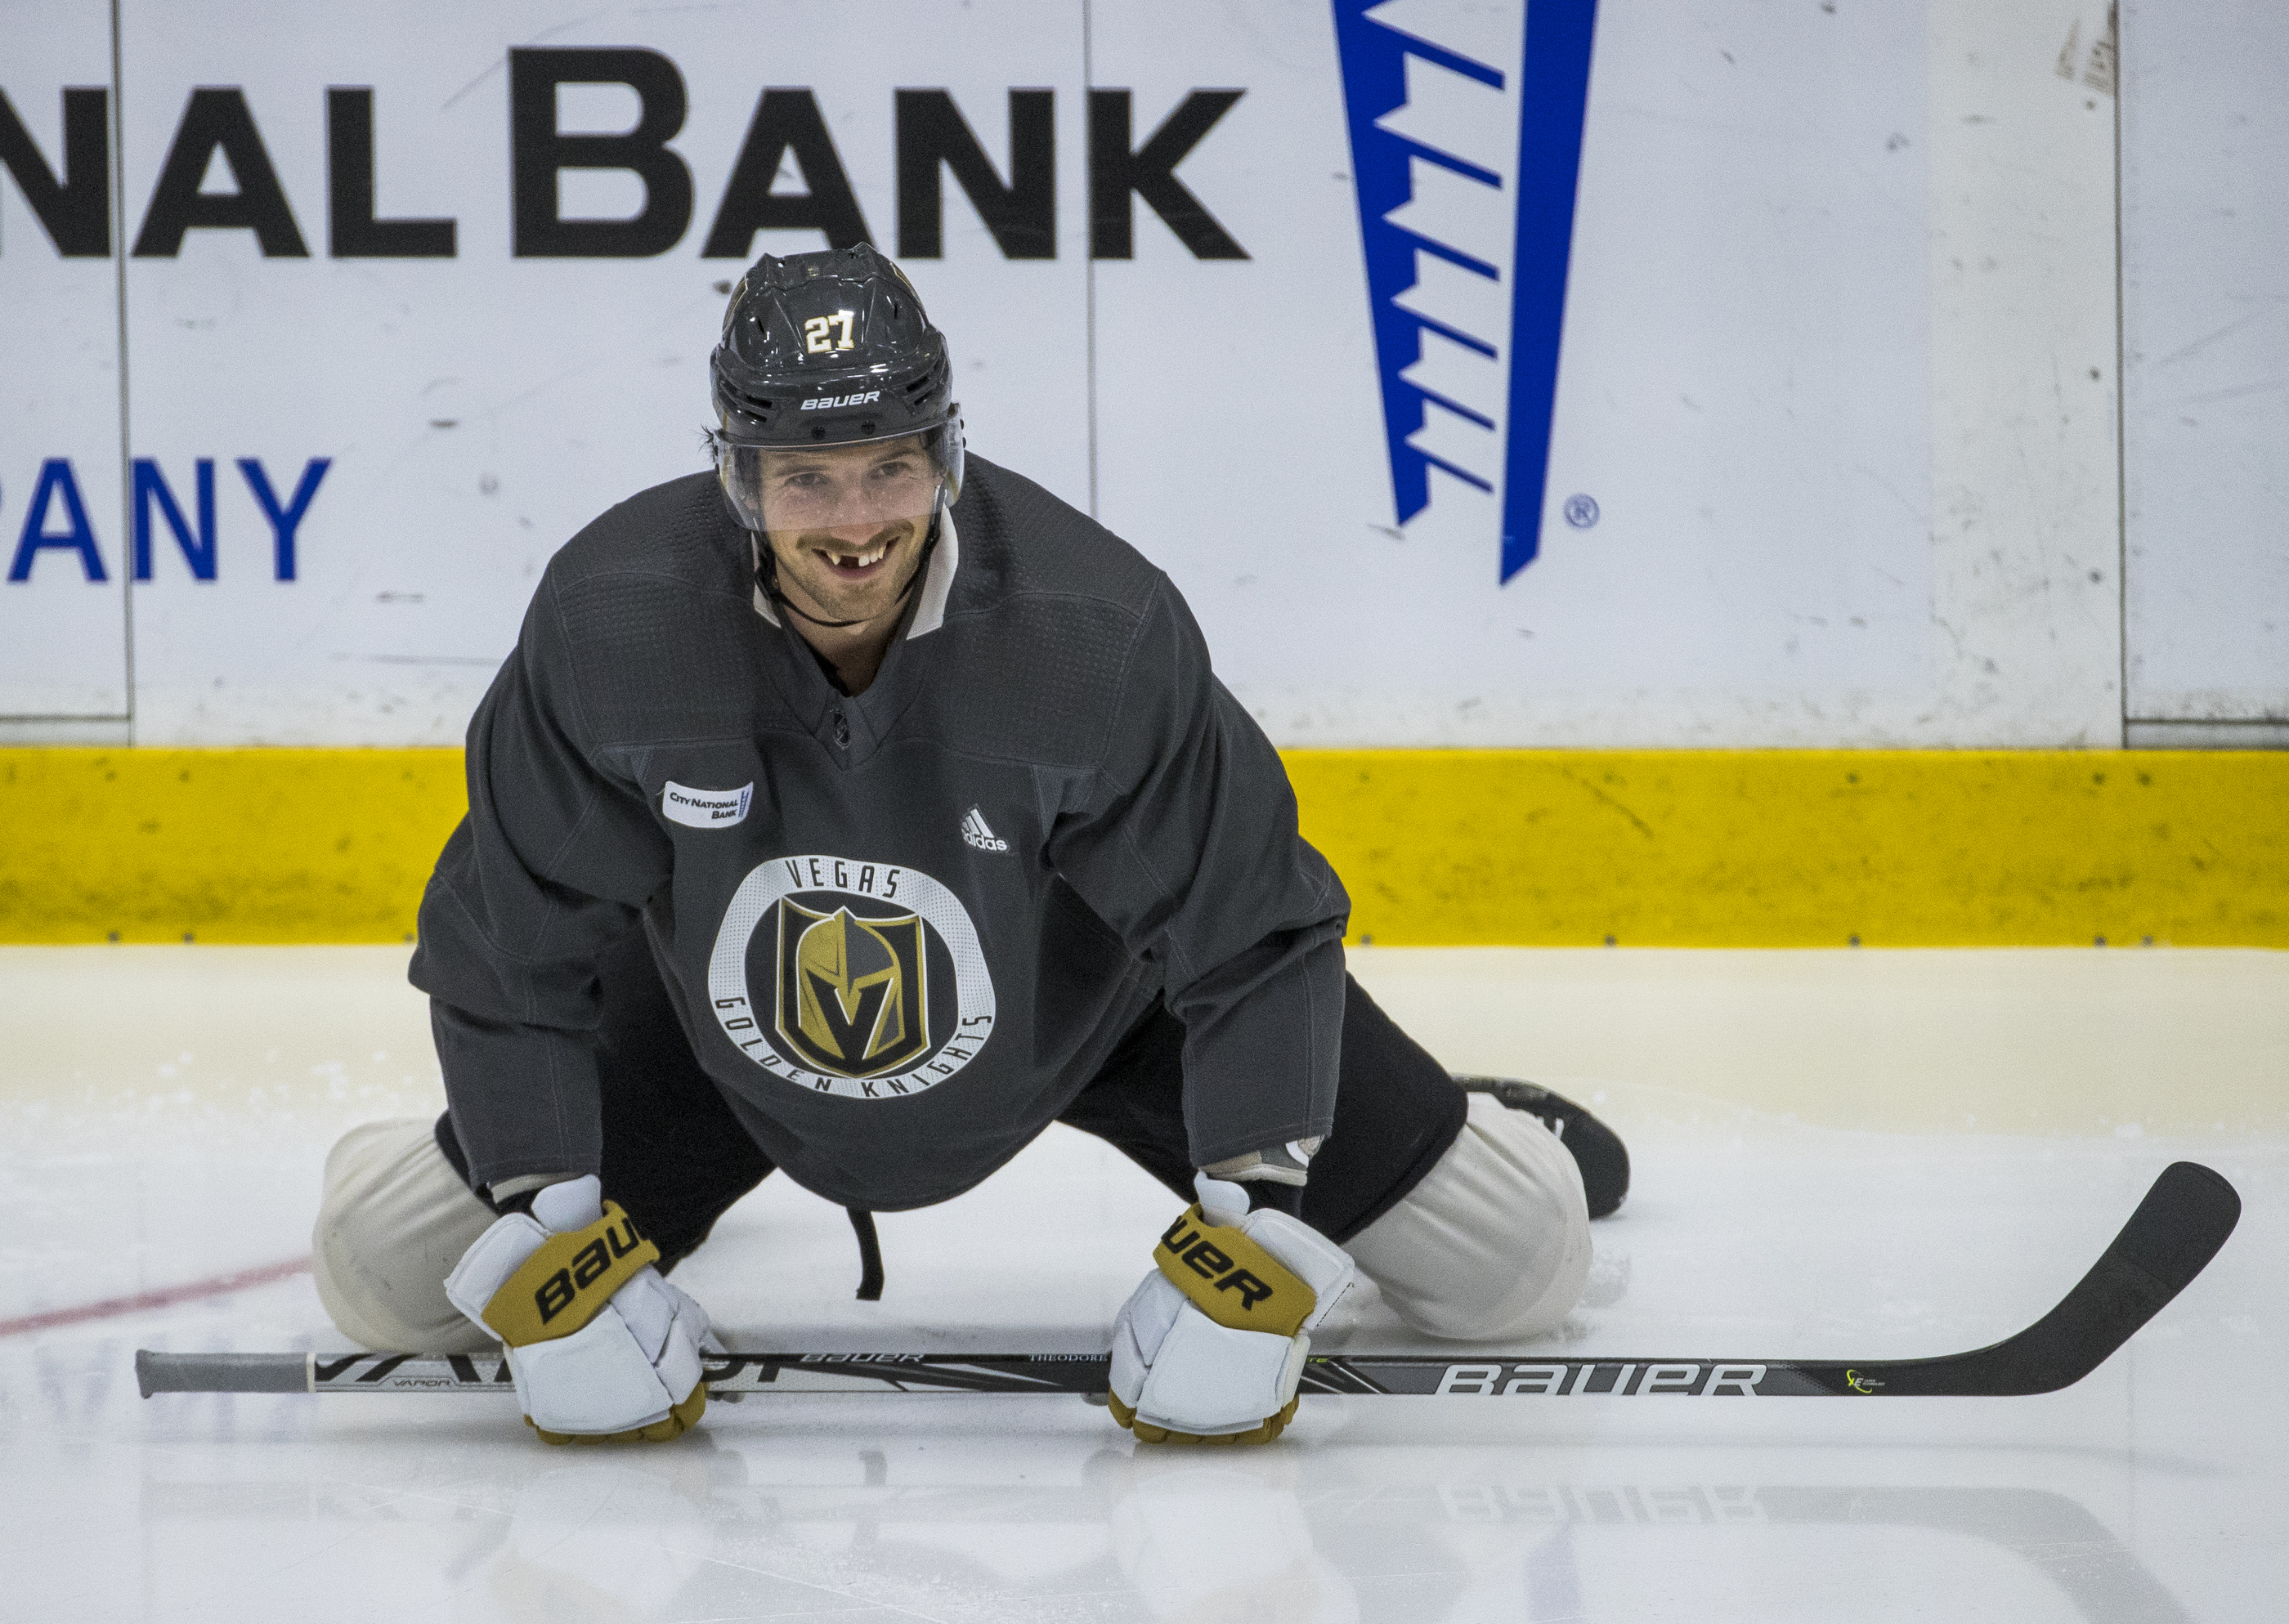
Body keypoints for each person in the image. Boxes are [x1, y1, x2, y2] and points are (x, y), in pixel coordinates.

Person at [311, 244, 1628, 1447]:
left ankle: (1489, 1130)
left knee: (1513, 1271)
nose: (857, 521)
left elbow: (1252, 931)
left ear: (947, 449)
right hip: (721, 1037)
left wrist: (1257, 1239)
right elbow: (507, 944)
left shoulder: (1093, 629)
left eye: (891, 463)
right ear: (735, 474)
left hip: (1106, 1013)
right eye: (806, 477)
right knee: (379, 1280)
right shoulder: (612, 623)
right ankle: (456, 1161)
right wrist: (551, 1234)